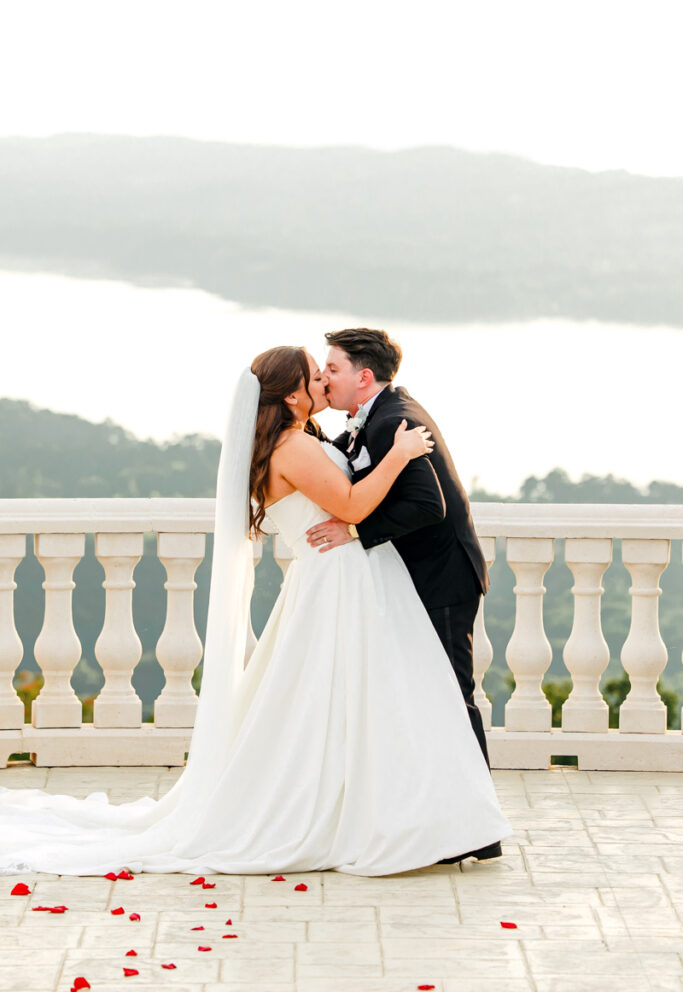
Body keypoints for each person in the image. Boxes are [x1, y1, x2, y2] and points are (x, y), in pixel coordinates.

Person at [0, 346, 510, 878]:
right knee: (348, 700)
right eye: (316, 376)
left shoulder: (297, 441)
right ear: (292, 395)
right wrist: (400, 455)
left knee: (358, 701)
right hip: (337, 582)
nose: (322, 382)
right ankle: (364, 816)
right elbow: (354, 505)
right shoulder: (292, 447)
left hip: (339, 578)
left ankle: (395, 811)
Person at [306, 328, 499, 863]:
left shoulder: (394, 420)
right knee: (430, 697)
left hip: (443, 580)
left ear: (364, 376)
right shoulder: (379, 415)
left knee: (452, 697)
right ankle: (448, 821)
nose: (326, 378)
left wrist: (355, 532)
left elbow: (426, 506)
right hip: (427, 579)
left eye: (334, 370)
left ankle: (479, 832)